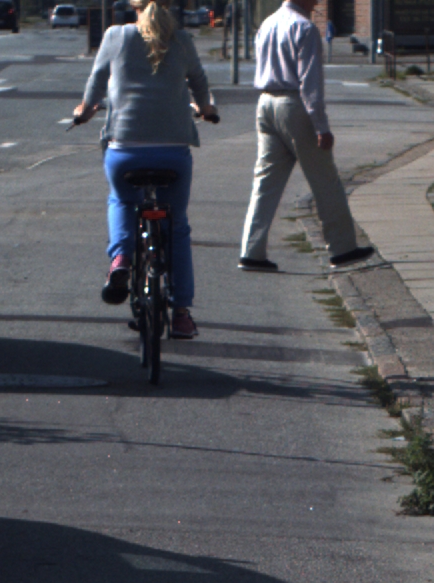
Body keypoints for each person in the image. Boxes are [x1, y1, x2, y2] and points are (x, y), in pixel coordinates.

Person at [73, 0, 217, 339]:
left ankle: (121, 259)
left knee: (122, 200)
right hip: (173, 153)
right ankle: (181, 314)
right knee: (176, 226)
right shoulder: (182, 39)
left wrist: (84, 110)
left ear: (132, 5)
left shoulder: (116, 36)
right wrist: (206, 109)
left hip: (126, 151)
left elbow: (96, 83)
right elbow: (199, 82)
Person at [237, 0, 373, 273]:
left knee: (265, 182)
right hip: (294, 104)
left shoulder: (268, 23)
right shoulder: (305, 28)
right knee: (325, 180)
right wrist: (321, 126)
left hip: (265, 102)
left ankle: (251, 251)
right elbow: (310, 83)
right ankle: (342, 248)